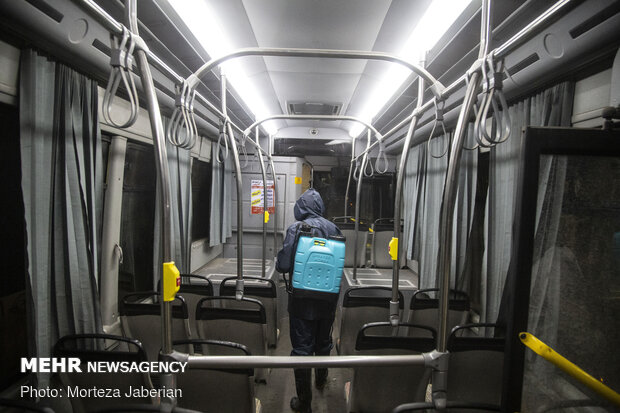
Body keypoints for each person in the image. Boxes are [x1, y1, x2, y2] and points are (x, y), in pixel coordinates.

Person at [276, 188, 343, 413]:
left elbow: (283, 265)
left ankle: (304, 402)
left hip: (302, 300)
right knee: (323, 342)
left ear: (300, 207)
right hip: (327, 299)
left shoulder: (296, 229)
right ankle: (321, 380)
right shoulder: (333, 228)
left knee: (302, 349)